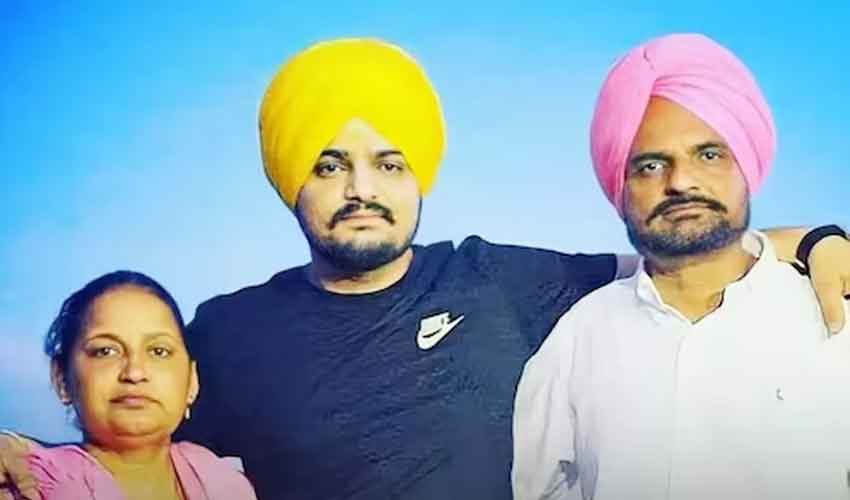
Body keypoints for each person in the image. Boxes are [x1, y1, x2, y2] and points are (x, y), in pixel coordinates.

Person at [3, 38, 850, 500]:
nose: (361, 190)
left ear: (421, 178)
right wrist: (24, 459)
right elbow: (136, 451)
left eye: (389, 163)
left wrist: (819, 240)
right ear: (291, 180)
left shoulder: (504, 282)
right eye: (329, 165)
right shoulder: (228, 331)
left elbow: (686, 247)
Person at [512, 33, 850, 500]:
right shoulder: (577, 339)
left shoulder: (833, 314)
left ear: (745, 168)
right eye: (650, 166)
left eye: (709, 155)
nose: (681, 182)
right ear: (621, 189)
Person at [11, 271, 257, 500]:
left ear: (192, 382)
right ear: (62, 379)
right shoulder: (26, 485)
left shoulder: (228, 484)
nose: (135, 373)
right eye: (106, 351)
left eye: (159, 351)